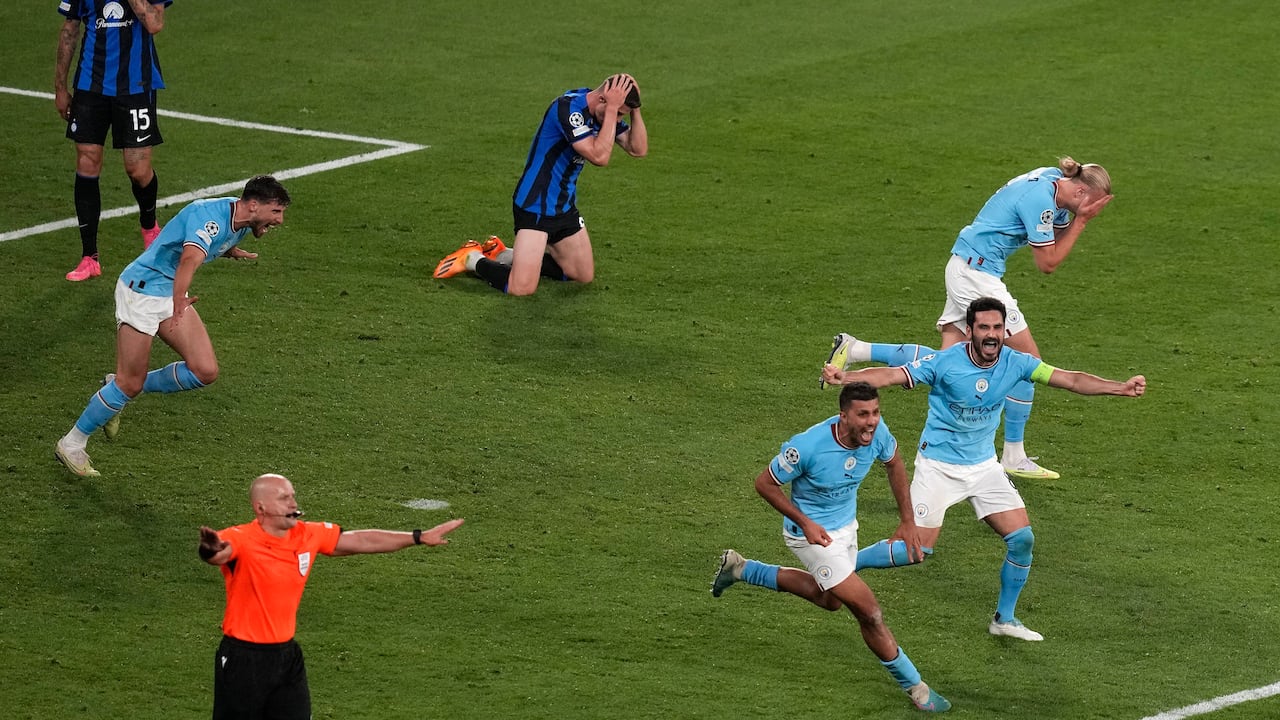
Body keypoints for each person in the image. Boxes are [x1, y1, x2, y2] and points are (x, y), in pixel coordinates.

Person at [821, 297, 1146, 641]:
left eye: (997, 328)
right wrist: (847, 378)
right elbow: (891, 375)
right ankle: (843, 566)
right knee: (915, 551)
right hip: (939, 468)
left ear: (1005, 331)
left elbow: (1071, 380)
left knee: (1022, 540)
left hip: (984, 468)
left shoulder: (1017, 362)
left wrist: (1120, 388)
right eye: (984, 327)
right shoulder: (945, 363)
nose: (991, 334)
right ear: (970, 331)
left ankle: (1004, 619)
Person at [824, 157, 1114, 480]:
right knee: (1028, 362)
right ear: (1082, 193)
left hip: (968, 266)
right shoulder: (1040, 200)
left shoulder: (1055, 181)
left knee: (946, 363)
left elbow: (1055, 235)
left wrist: (1076, 216)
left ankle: (856, 349)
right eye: (1094, 205)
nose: (1094, 212)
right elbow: (1048, 263)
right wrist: (1081, 221)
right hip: (976, 275)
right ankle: (1013, 454)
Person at [711, 383, 949, 713]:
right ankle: (916, 688)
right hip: (811, 537)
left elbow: (894, 463)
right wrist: (805, 522)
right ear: (843, 416)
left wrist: (908, 521)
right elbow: (764, 484)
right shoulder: (808, 446)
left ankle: (741, 569)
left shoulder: (877, 433)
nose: (871, 421)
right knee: (869, 612)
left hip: (846, 530)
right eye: (862, 414)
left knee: (830, 600)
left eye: (875, 412)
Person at [54, 176, 291, 477]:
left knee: (204, 371)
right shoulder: (210, 219)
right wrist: (179, 299)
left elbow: (198, 242)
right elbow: (189, 260)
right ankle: (72, 443)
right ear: (254, 205)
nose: (279, 220)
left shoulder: (241, 220)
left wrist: (226, 250)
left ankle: (116, 388)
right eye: (276, 212)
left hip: (168, 293)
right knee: (130, 384)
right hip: (142, 293)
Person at [198, 473, 465, 719]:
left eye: (292, 496)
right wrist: (209, 550)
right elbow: (219, 554)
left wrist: (418, 537)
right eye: (283, 498)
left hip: (286, 656)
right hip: (244, 659)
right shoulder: (240, 538)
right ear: (261, 508)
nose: (293, 503)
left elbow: (362, 541)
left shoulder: (307, 535)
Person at [433, 73, 648, 295]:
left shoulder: (603, 113)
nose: (618, 120)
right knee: (521, 288)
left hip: (563, 207)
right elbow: (599, 156)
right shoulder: (568, 109)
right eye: (619, 113)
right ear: (603, 99)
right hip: (535, 204)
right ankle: (472, 258)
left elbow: (638, 149)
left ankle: (502, 254)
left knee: (582, 275)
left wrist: (635, 110)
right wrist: (613, 109)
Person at [55, 0, 173, 282]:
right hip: (90, 85)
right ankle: (89, 257)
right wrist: (60, 87)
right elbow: (69, 30)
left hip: (135, 86)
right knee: (87, 161)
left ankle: (149, 227)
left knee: (138, 169)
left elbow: (154, 23)